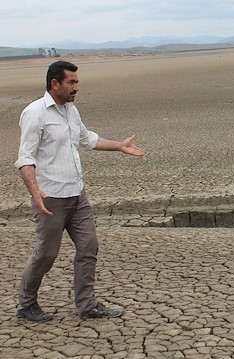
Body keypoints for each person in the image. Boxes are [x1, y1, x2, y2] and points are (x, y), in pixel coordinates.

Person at [14, 60, 144, 322]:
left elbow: (87, 139)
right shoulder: (35, 113)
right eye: (71, 82)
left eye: (77, 82)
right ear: (55, 84)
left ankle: (87, 305)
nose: (76, 87)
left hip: (77, 195)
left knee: (88, 247)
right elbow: (25, 158)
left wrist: (119, 146)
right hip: (51, 199)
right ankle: (27, 304)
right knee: (47, 254)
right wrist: (35, 193)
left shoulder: (71, 111)